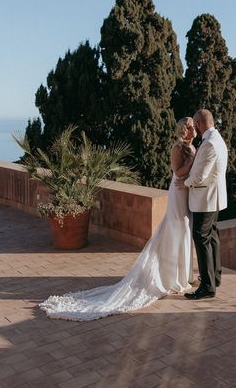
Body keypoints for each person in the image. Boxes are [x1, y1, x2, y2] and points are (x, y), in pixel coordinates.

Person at [39, 117, 197, 321]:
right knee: (176, 229)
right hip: (178, 191)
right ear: (184, 129)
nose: (194, 129)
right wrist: (193, 161)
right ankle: (173, 277)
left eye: (194, 126)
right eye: (191, 126)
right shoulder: (178, 148)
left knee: (184, 229)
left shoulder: (192, 146)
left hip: (186, 192)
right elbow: (177, 172)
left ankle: (182, 275)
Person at [176, 109, 228, 300]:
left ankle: (207, 287)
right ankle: (215, 277)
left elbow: (200, 176)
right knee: (212, 236)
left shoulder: (209, 144)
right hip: (215, 198)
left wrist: (186, 183)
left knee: (201, 238)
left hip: (205, 199)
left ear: (199, 123)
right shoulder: (218, 140)